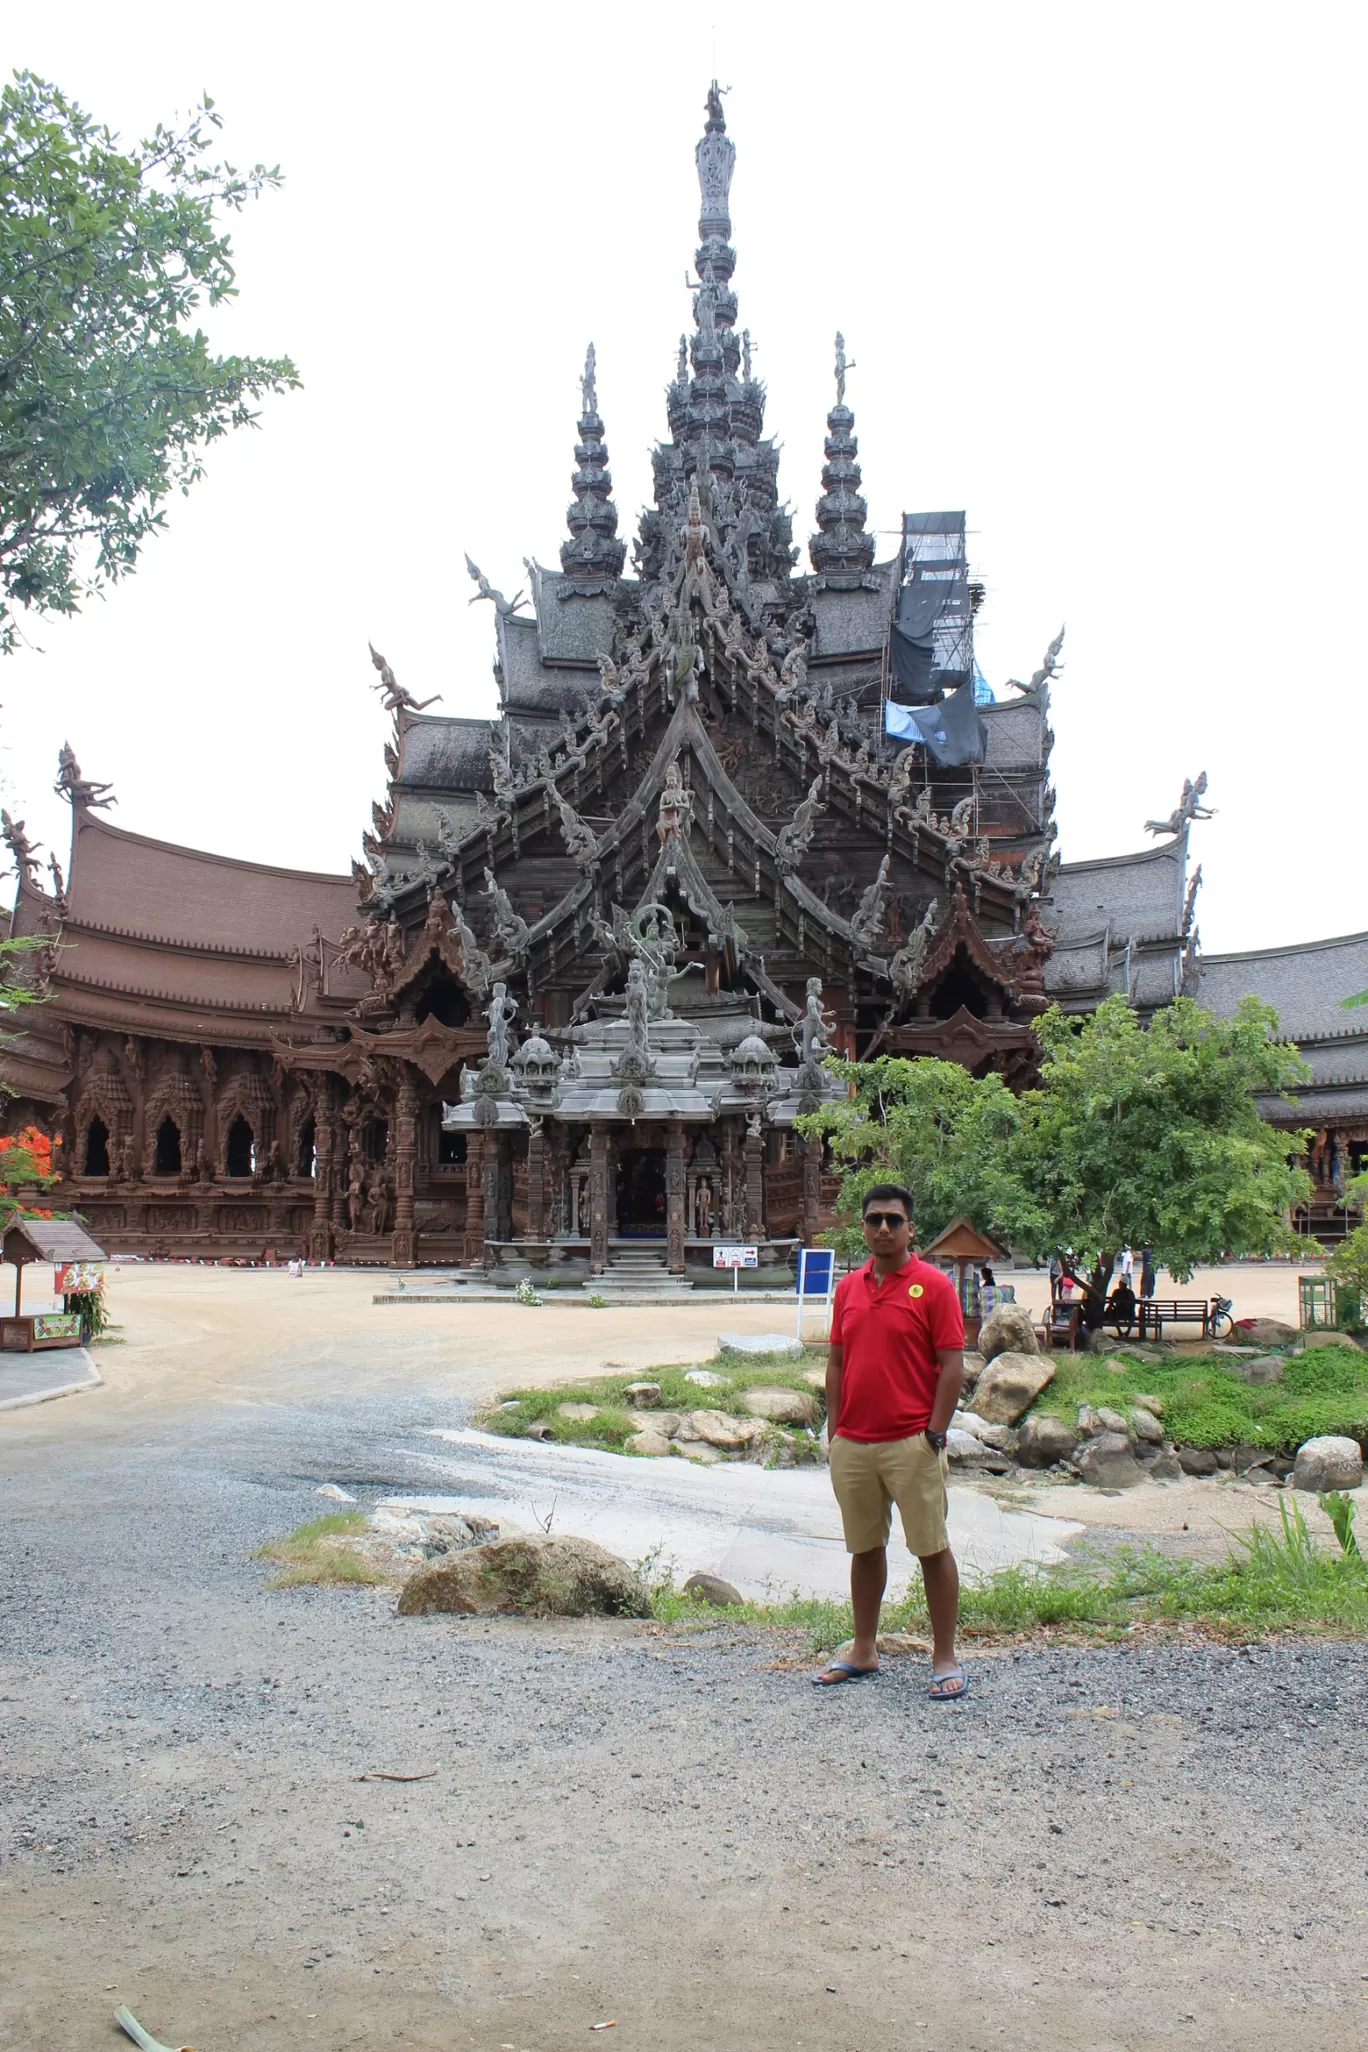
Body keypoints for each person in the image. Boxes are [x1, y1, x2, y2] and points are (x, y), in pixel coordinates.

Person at [813, 1183, 967, 1700]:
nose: (883, 1228)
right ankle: (863, 1646)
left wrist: (935, 1433)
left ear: (910, 1228)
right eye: (875, 1219)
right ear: (862, 1226)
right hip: (854, 1441)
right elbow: (836, 1361)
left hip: (911, 1440)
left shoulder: (933, 1287)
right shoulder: (848, 1288)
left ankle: (943, 1655)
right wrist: (834, 1429)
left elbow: (951, 1366)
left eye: (893, 1220)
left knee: (931, 1547)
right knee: (864, 1547)